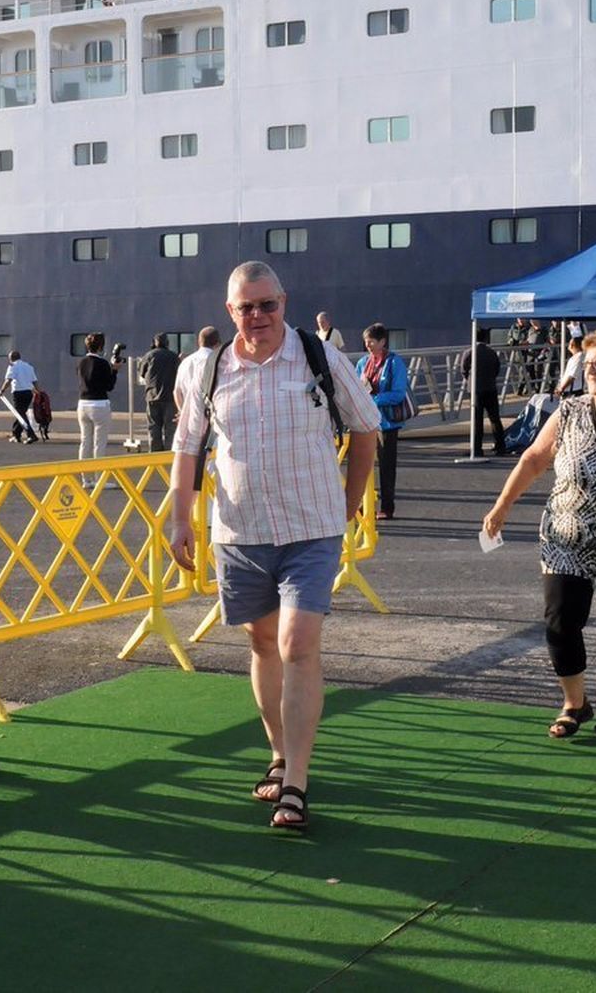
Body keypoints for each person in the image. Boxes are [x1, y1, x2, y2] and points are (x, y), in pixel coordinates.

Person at [169, 261, 380, 831]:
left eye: (267, 305)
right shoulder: (207, 368)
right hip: (239, 532)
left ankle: (296, 784)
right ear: (229, 309)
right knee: (263, 644)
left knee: (297, 643)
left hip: (311, 527)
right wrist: (180, 518)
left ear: (284, 302)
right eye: (246, 307)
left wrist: (350, 501)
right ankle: (279, 752)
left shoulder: (320, 358)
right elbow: (187, 446)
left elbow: (366, 429)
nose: (258, 316)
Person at [481, 327, 596, 740]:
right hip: (568, 531)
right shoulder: (568, 412)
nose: (592, 371)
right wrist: (502, 505)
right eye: (587, 364)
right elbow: (533, 459)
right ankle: (574, 702)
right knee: (561, 618)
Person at [356, 323, 410, 520]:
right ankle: (361, 504)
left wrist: (373, 399)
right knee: (362, 464)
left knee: (387, 467)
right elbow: (356, 387)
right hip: (366, 422)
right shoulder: (363, 363)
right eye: (366, 341)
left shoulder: (395, 363)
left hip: (387, 423)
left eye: (371, 341)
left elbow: (398, 393)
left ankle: (387, 507)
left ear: (382, 341)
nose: (368, 345)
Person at [77, 332, 123, 482]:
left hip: (83, 404)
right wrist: (114, 369)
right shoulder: (103, 364)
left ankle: (85, 479)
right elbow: (109, 386)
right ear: (101, 346)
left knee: (85, 442)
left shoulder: (81, 363)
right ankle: (99, 479)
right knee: (99, 443)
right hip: (99, 404)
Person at [460, 328, 507, 457]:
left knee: (477, 419)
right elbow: (497, 369)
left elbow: (463, 369)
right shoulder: (492, 352)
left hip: (475, 390)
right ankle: (500, 446)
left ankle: (477, 448)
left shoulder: (469, 352)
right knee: (495, 418)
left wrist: (469, 379)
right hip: (491, 388)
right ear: (486, 338)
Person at [137, 333, 181, 451]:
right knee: (170, 428)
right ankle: (168, 454)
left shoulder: (149, 355)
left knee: (153, 428)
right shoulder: (173, 357)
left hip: (152, 396)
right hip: (169, 398)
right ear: (167, 343)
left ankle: (155, 454)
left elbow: (141, 372)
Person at [174, 324, 220, 410]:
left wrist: (182, 412)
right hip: (209, 415)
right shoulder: (216, 362)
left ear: (199, 342)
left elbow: (177, 391)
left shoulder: (185, 362)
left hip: (189, 414)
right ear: (217, 344)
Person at [0, 349, 39, 444]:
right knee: (21, 413)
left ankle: (31, 435)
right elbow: (34, 381)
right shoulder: (28, 366)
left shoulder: (12, 366)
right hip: (29, 393)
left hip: (19, 393)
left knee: (20, 414)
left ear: (11, 359)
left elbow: (8, 380)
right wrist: (38, 392)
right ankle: (16, 435)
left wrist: (2, 391)